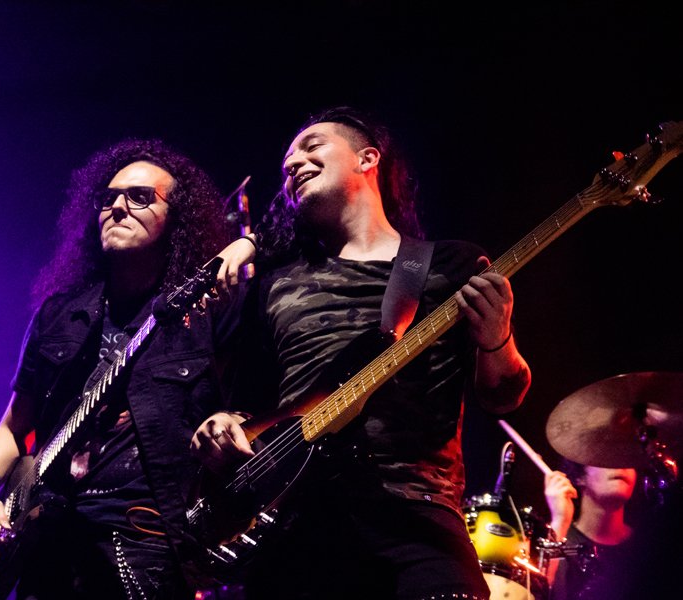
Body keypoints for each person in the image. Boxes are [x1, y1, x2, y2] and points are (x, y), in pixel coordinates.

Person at [192, 106, 532, 599]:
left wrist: (498, 338)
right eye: (286, 162)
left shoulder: (450, 263)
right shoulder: (275, 284)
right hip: (296, 524)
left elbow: (503, 396)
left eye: (312, 146)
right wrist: (224, 423)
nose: (292, 163)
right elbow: (249, 402)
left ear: (367, 158)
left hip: (418, 519)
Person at [0, 137, 236, 600]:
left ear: (177, 219)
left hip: (146, 546)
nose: (118, 207)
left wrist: (245, 245)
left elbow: (246, 409)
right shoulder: (58, 315)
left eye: (140, 197)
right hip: (49, 548)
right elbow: (13, 427)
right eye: (108, 199)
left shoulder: (205, 313)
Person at [543, 461, 639, 600]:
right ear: (579, 476)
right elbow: (534, 593)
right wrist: (560, 521)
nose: (621, 464)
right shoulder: (558, 536)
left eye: (628, 457)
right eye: (606, 455)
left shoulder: (650, 550)